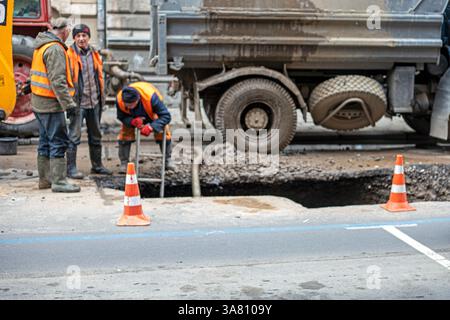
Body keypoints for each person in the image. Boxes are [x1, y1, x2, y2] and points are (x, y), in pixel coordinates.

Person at [30, 17, 80, 193]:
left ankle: (45, 180)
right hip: (51, 105)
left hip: (38, 103)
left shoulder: (41, 45)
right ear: (65, 31)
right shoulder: (55, 49)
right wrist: (69, 105)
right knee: (58, 141)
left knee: (45, 142)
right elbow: (57, 82)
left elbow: (37, 73)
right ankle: (59, 181)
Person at [66, 24, 112, 178]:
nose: (81, 39)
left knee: (96, 135)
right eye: (78, 36)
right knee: (74, 136)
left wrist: (101, 97)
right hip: (77, 104)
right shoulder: (69, 54)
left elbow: (98, 76)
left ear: (88, 37)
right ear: (74, 38)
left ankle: (97, 166)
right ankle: (71, 169)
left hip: (94, 102)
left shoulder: (94, 53)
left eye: (84, 36)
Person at [116, 82, 175, 174]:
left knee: (163, 130)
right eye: (127, 105)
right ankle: (124, 163)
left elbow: (166, 116)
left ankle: (168, 160)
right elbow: (121, 117)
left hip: (151, 112)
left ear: (138, 99)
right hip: (133, 117)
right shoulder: (120, 99)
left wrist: (151, 127)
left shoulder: (152, 98)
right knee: (125, 131)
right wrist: (132, 121)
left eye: (131, 104)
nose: (128, 107)